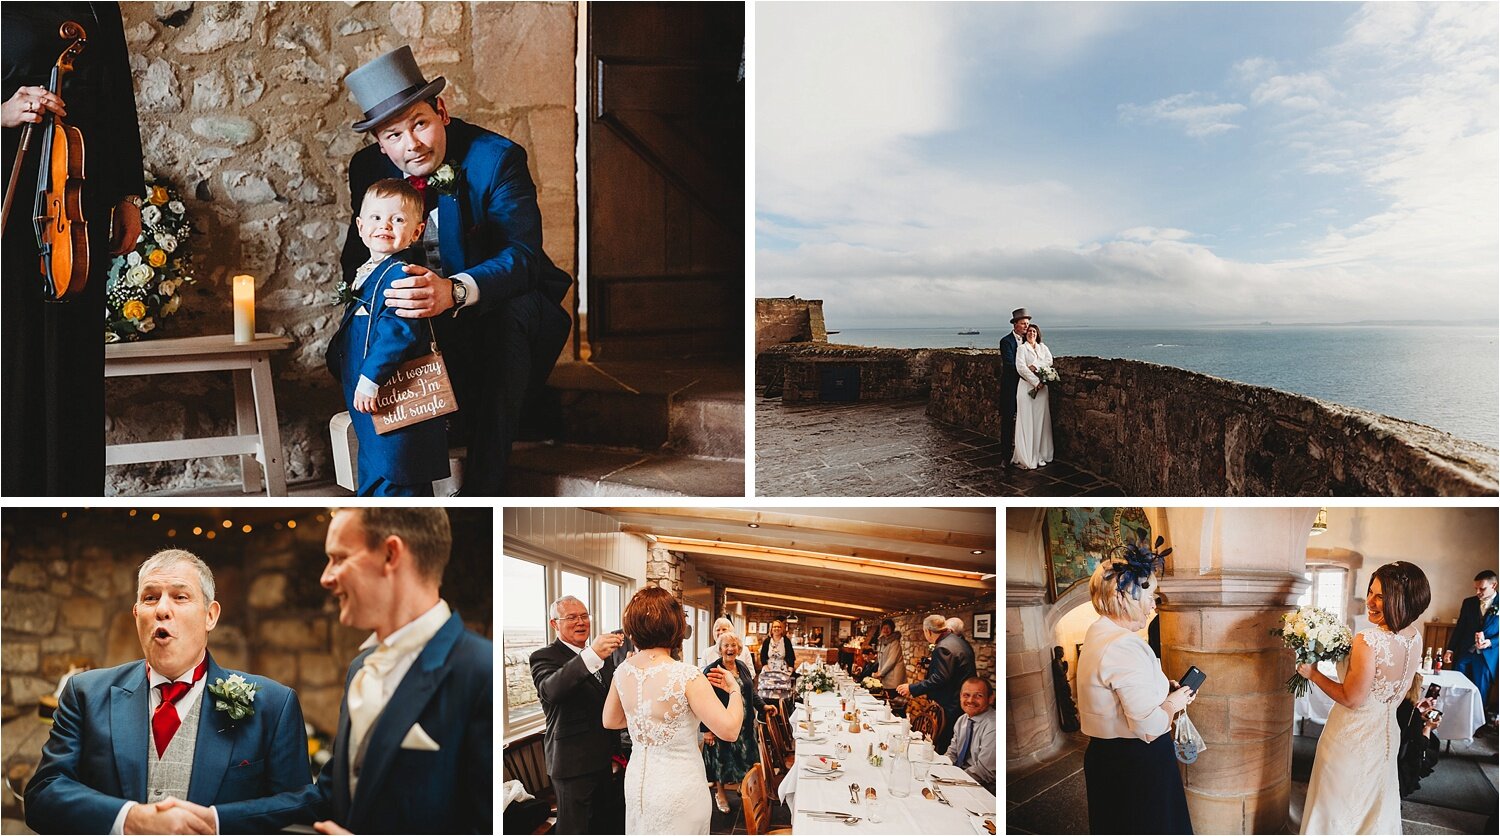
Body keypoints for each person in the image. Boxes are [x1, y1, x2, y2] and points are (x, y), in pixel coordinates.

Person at [340, 46, 573, 495]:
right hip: (416, 320)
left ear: (441, 111)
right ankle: (398, 480)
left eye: (420, 124)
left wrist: (455, 291)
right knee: (356, 335)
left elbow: (522, 257)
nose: (412, 145)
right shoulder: (367, 169)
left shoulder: (497, 158)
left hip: (491, 315)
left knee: (517, 311)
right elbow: (357, 255)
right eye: (393, 135)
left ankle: (485, 488)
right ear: (378, 142)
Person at [217, 507, 493, 834]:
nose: (325, 577)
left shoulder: (480, 671)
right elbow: (330, 794)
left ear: (391, 554)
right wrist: (213, 820)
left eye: (339, 558)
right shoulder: (360, 668)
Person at [25, 550, 313, 834]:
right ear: (137, 614)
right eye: (150, 598)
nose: (162, 609)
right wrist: (129, 819)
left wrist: (216, 823)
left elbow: (299, 811)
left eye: (180, 596)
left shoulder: (274, 705)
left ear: (210, 615)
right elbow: (43, 795)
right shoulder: (85, 694)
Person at [2, 2, 143, 496]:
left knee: (75, 359)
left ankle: (72, 497)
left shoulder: (96, 2)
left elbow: (119, 94)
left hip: (78, 195)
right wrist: (3, 111)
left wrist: (128, 194)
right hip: (12, 185)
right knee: (14, 356)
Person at [327, 179, 451, 496]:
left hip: (392, 393)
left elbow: (398, 332)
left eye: (397, 219)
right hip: (369, 400)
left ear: (416, 232)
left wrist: (370, 379)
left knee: (398, 472)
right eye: (377, 217)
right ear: (360, 225)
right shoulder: (368, 270)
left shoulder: (401, 274)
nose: (385, 225)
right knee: (375, 467)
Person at [1299, 561, 1430, 835]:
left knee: (1336, 806)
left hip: (1351, 737)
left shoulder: (1368, 640)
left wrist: (1312, 674)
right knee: (1374, 807)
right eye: (1370, 592)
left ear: (1401, 600)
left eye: (1380, 596)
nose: (1370, 601)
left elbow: (1351, 699)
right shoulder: (1415, 637)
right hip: (1386, 735)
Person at [1076, 539, 1195, 835]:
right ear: (1124, 596)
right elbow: (1151, 726)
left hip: (1110, 758)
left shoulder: (1098, 633)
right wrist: (1173, 703)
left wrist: (1160, 687)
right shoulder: (1123, 645)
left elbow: (1114, 687)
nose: (1153, 605)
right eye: (1149, 596)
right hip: (1136, 763)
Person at [603, 587, 745, 834]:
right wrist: (734, 689)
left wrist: (645, 722)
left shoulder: (623, 671)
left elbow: (611, 720)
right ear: (675, 626)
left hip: (639, 785)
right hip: (680, 786)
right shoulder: (686, 675)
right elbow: (730, 730)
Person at [528, 596, 625, 834]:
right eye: (571, 617)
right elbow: (552, 690)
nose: (580, 622)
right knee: (575, 829)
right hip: (572, 763)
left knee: (605, 825)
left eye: (584, 616)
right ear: (554, 624)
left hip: (604, 759)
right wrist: (591, 654)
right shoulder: (544, 656)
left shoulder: (605, 658)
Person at [700, 633, 762, 814]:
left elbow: (750, 692)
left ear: (739, 648)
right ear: (719, 649)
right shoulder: (712, 670)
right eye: (726, 645)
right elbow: (703, 701)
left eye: (733, 645)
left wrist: (764, 707)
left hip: (745, 726)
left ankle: (745, 790)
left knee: (746, 760)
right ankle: (720, 794)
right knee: (722, 761)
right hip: (722, 725)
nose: (730, 649)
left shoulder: (741, 666)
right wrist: (706, 730)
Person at [898, 614, 976, 754]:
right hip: (960, 701)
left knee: (945, 745)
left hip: (951, 704)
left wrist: (911, 688)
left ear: (928, 631)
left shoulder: (943, 647)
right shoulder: (959, 641)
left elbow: (939, 678)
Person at [1446, 569, 1498, 702]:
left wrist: (1491, 642)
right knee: (1456, 689)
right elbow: (1460, 628)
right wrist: (1450, 649)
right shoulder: (1468, 602)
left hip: (1486, 657)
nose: (1477, 593)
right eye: (1476, 588)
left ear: (1494, 585)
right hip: (1465, 653)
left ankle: (1478, 723)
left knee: (1480, 693)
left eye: (1482, 589)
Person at [1013, 322, 1055, 469]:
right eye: (1030, 331)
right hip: (1026, 388)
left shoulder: (1043, 348)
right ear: (1026, 334)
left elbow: (1049, 360)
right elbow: (1021, 368)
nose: (1032, 334)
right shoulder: (1021, 349)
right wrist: (1036, 382)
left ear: (1038, 334)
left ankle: (1042, 453)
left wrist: (1036, 366)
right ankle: (1028, 455)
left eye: (1034, 332)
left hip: (1042, 391)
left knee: (1041, 421)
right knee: (1028, 419)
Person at [948, 677, 997, 794]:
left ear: (990, 698)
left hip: (983, 789)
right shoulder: (962, 720)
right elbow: (952, 753)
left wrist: (953, 782)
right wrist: (941, 768)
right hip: (959, 780)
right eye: (966, 695)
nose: (970, 700)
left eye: (978, 696)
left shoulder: (994, 725)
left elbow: (984, 771)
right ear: (960, 697)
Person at [1395, 674, 1441, 797]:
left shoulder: (1394, 703)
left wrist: (1418, 713)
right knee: (1433, 746)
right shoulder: (1410, 711)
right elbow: (1422, 744)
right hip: (1401, 758)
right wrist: (1428, 727)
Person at [997, 307, 1031, 466]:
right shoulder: (1006, 341)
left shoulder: (1029, 341)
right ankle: (1005, 456)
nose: (1026, 326)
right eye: (1023, 323)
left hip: (1025, 387)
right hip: (1011, 387)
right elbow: (1010, 364)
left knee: (1025, 419)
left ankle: (1023, 453)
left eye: (1027, 323)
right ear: (1015, 324)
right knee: (1008, 421)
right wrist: (1027, 370)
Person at [756, 619, 795, 711]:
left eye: (779, 627)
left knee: (782, 692)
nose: (776, 628)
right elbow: (762, 656)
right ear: (771, 628)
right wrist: (765, 666)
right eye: (774, 626)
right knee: (767, 691)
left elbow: (791, 656)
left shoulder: (786, 641)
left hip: (782, 668)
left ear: (782, 629)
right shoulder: (767, 641)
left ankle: (782, 710)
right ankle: (766, 709)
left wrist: (790, 669)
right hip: (768, 668)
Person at [875, 618, 906, 690]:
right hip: (885, 676)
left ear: (892, 629)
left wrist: (881, 673)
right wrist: (879, 672)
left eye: (888, 628)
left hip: (893, 678)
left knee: (892, 697)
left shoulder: (895, 642)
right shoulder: (882, 641)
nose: (885, 630)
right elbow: (880, 659)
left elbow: (892, 660)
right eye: (884, 628)